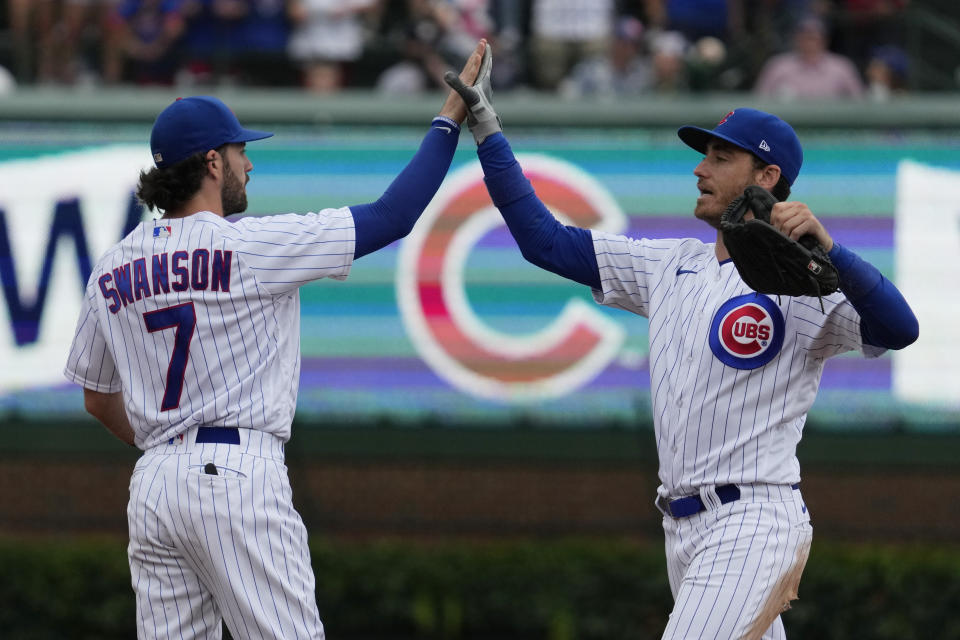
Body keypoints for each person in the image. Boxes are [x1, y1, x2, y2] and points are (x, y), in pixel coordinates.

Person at [445, 48, 918, 639]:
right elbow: (544, 242)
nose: (701, 169)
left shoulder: (808, 284)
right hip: (682, 528)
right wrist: (487, 129)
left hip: (752, 521)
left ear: (767, 178)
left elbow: (901, 329)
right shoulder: (667, 264)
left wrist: (834, 250)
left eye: (722, 157)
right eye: (704, 155)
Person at [63, 40, 487, 640]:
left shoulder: (111, 266)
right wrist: (449, 119)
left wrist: (167, 448)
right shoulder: (250, 245)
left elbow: (95, 398)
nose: (249, 164)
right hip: (236, 472)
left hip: (154, 483)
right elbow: (393, 216)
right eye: (240, 152)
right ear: (212, 163)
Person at [753, 15, 864, 100]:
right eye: (805, 36)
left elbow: (860, 101)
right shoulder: (778, 65)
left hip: (834, 127)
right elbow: (760, 101)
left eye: (814, 37)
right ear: (796, 38)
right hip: (788, 125)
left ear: (825, 40)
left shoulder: (841, 66)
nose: (810, 42)